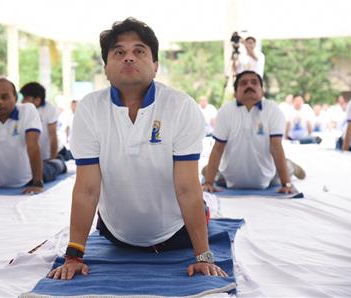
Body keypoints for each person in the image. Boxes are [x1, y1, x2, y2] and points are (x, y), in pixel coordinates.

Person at [48, 17, 226, 280]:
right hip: (116, 235)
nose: (128, 58)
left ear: (155, 66)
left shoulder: (180, 106)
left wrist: (203, 256)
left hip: (177, 234)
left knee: (198, 198)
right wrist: (73, 256)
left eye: (139, 51)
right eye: (119, 52)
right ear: (106, 67)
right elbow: (87, 188)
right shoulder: (89, 108)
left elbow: (187, 187)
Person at [202, 70, 305, 193]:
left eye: (254, 83)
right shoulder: (225, 111)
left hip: (267, 177)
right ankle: (208, 170)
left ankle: (291, 166)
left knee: (282, 172)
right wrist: (208, 182)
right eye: (243, 83)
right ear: (235, 92)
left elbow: (276, 147)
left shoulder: (272, 110)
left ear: (261, 90)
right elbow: (218, 148)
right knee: (211, 173)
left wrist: (286, 184)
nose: (249, 86)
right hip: (230, 178)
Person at [20, 82, 67, 182]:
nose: (22, 101)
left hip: (46, 156)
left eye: (26, 98)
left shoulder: (49, 109)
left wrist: (52, 158)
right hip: (29, 157)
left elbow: (53, 136)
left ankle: (60, 162)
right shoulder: (22, 110)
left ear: (37, 100)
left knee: (44, 173)